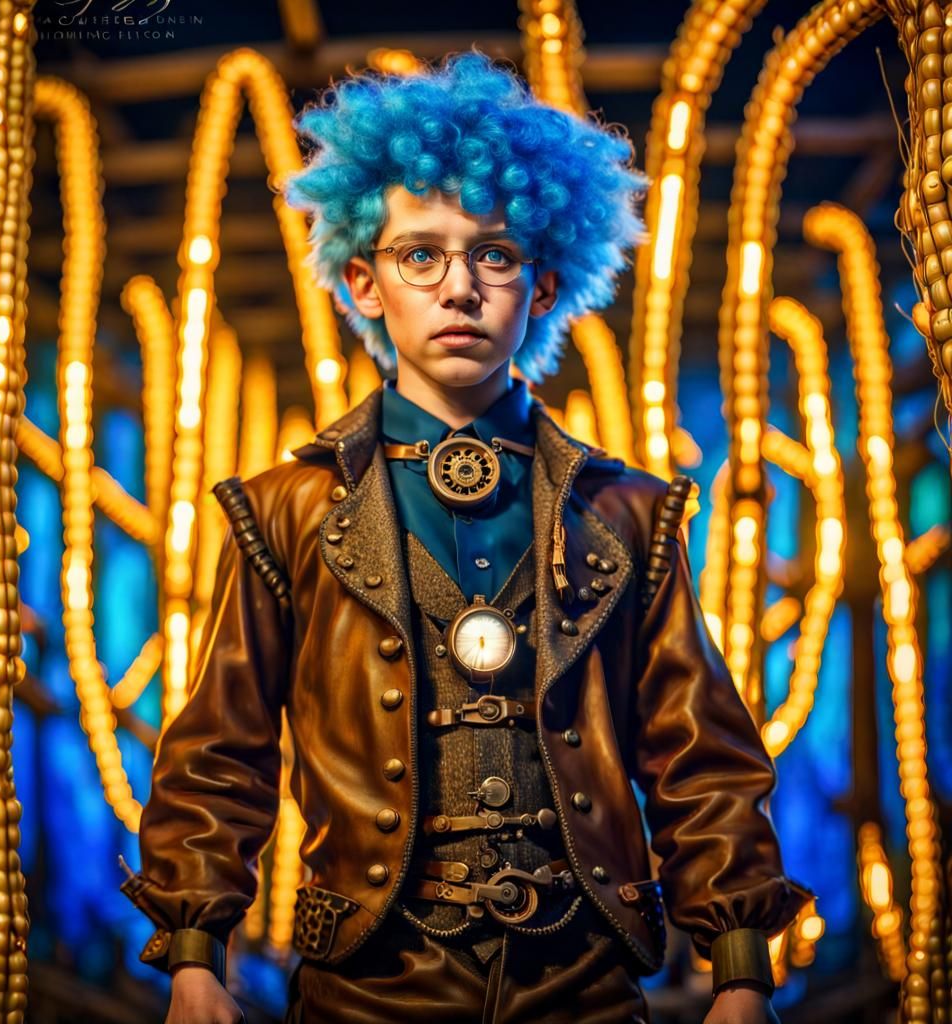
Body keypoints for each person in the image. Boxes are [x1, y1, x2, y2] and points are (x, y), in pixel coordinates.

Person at [121, 54, 810, 1024]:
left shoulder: (627, 515)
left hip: (583, 987)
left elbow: (697, 755)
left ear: (542, 283)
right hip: (365, 989)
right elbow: (219, 752)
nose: (458, 287)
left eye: (493, 253)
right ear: (362, 279)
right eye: (420, 254)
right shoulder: (287, 508)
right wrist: (195, 956)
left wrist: (741, 972)